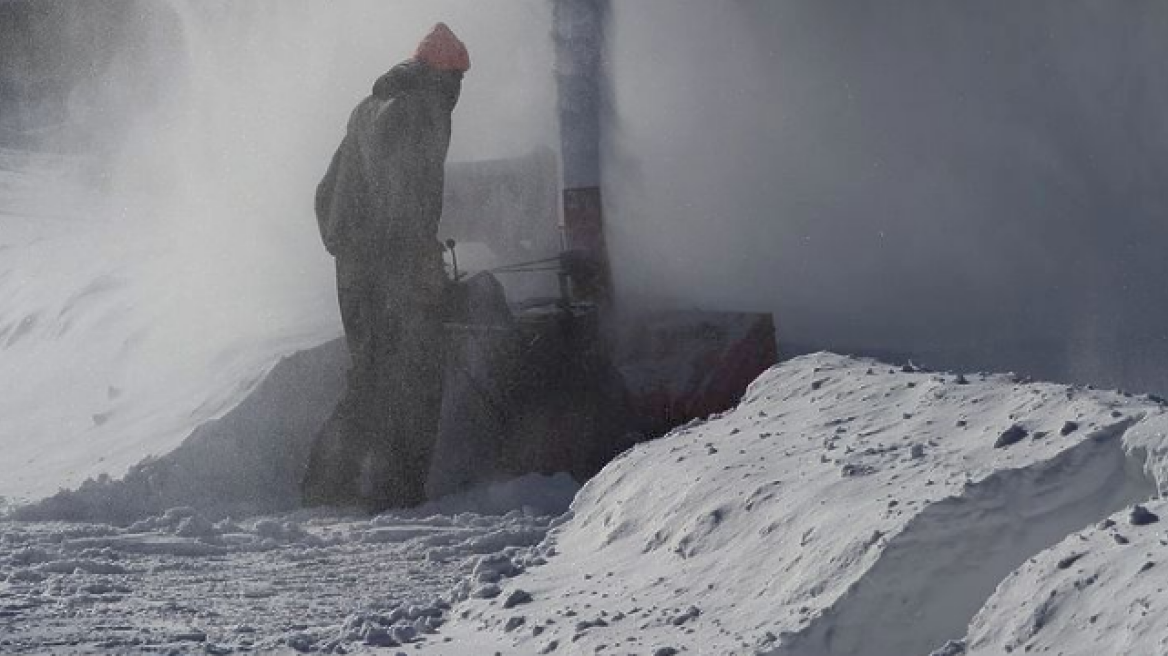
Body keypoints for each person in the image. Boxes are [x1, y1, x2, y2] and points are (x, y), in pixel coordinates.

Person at [303, 23, 470, 511]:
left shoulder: (371, 107)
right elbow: (406, 199)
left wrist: (346, 247)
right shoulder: (418, 112)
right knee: (416, 376)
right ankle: (396, 492)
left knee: (372, 376)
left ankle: (330, 485)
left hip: (358, 268)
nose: (460, 90)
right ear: (443, 75)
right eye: (458, 78)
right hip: (389, 268)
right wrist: (419, 262)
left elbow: (328, 191)